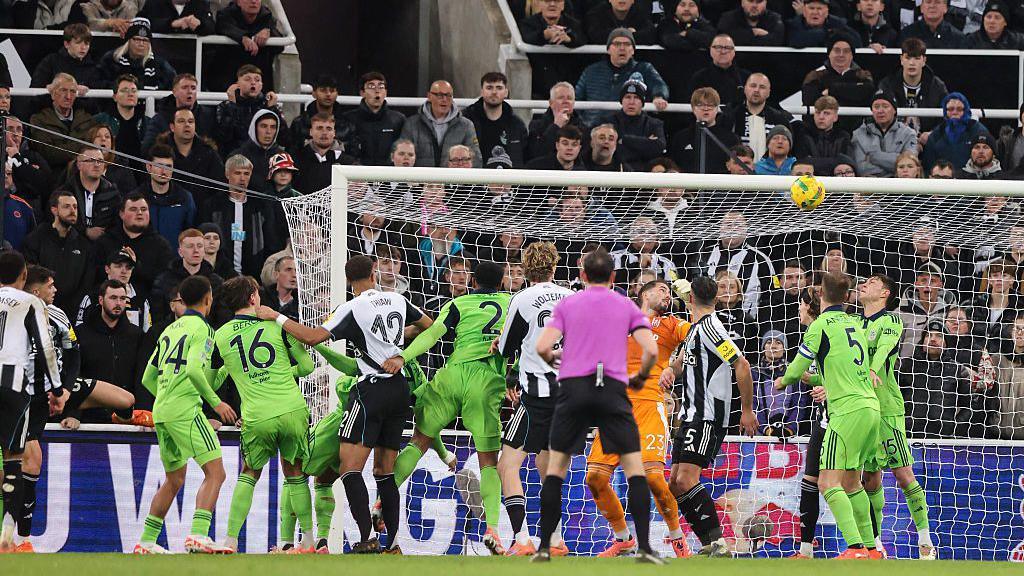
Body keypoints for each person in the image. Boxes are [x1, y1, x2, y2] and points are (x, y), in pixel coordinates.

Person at [254, 255, 431, 553]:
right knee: (385, 472)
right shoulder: (398, 300)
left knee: (350, 469)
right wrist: (398, 347)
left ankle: (365, 539)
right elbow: (428, 325)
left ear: (350, 282)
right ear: (373, 274)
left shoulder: (352, 307)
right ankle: (395, 544)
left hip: (370, 391)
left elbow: (312, 338)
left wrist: (278, 317)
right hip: (399, 391)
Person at [530, 248, 662, 564]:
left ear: (583, 275)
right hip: (613, 389)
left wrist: (556, 358)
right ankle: (643, 547)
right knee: (634, 469)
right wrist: (640, 377)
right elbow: (652, 350)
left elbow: (541, 347)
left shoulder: (569, 303)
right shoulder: (625, 305)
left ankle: (545, 549)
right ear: (614, 277)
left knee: (556, 469)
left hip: (574, 388)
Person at [383, 261, 511, 554]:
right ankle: (493, 529)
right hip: (486, 378)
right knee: (488, 461)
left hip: (451, 377)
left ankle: (382, 502)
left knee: (418, 442)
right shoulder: (511, 302)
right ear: (503, 281)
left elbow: (431, 334)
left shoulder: (459, 303)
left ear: (473, 281)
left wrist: (403, 356)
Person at [585, 279, 693, 558]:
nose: (667, 296)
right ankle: (623, 539)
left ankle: (678, 540)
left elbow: (699, 333)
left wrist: (690, 299)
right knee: (595, 478)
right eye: (662, 290)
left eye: (670, 293)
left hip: (649, 405)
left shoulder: (671, 324)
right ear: (643, 293)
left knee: (654, 479)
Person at [776, 272, 880, 559]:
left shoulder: (820, 325)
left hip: (845, 412)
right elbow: (838, 370)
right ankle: (872, 549)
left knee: (826, 483)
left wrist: (783, 381)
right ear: (847, 296)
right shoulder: (856, 323)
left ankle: (855, 548)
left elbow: (795, 370)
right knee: (850, 482)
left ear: (821, 295)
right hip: (870, 408)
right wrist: (816, 380)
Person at [134, 275, 237, 554]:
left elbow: (148, 378)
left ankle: (146, 541)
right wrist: (216, 404)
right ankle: (198, 535)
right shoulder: (203, 329)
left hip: (163, 410)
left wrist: (225, 369)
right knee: (216, 473)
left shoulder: (169, 329)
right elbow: (192, 370)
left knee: (175, 478)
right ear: (208, 299)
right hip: (185, 410)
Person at [212, 276, 316, 552]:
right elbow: (307, 366)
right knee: (294, 474)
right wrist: (281, 374)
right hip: (292, 409)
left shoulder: (220, 335)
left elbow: (211, 383)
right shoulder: (276, 326)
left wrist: (236, 372)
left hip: (257, 415)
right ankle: (307, 541)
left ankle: (231, 541)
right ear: (253, 298)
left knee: (249, 473)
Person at [664, 275, 757, 557]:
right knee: (675, 482)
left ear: (691, 299)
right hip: (690, 414)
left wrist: (747, 410)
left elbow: (741, 364)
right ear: (715, 298)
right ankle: (709, 543)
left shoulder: (711, 327)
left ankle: (717, 543)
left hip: (707, 414)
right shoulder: (694, 329)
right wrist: (671, 369)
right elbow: (683, 364)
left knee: (687, 479)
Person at [495, 242, 573, 556]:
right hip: (569, 396)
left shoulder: (523, 298)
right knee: (548, 468)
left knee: (507, 465)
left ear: (526, 270)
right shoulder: (571, 297)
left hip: (537, 397)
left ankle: (522, 538)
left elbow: (507, 347)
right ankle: (555, 540)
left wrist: (502, 347)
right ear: (554, 267)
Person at [858, 274, 936, 559]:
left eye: (871, 281)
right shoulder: (854, 325)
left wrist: (873, 370)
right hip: (862, 411)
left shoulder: (890, 320)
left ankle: (925, 542)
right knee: (870, 479)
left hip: (887, 410)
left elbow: (882, 351)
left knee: (903, 475)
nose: (864, 284)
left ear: (884, 293)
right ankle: (876, 546)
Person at [0, 252, 65, 554]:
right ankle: (6, 537)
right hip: (13, 386)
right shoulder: (30, 302)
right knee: (14, 460)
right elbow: (45, 347)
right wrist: (57, 387)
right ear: (24, 276)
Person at [787, 286, 826, 558]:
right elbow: (818, 374)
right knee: (810, 480)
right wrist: (814, 380)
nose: (798, 309)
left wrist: (830, 388)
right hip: (823, 417)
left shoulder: (824, 331)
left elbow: (849, 372)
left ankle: (869, 546)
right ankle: (805, 548)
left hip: (841, 416)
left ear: (809, 306)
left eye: (800, 304)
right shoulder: (809, 335)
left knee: (846, 483)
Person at [199, 155, 282, 278]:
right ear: (227, 174)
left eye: (246, 174)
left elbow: (270, 241)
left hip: (254, 274)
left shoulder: (261, 206)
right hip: (219, 274)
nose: (242, 178)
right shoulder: (212, 205)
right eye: (237, 173)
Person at [576, 28, 669, 126]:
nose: (622, 48)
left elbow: (659, 85)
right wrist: (585, 122)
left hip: (630, 129)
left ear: (633, 50)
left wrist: (659, 96)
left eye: (627, 44)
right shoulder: (591, 70)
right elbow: (577, 97)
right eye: (617, 44)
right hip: (594, 129)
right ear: (608, 49)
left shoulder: (644, 68)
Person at [22, 191, 95, 317]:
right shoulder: (36, 239)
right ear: (54, 210)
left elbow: (87, 282)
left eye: (75, 207)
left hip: (72, 313)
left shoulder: (84, 245)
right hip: (40, 310)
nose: (73, 211)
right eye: (66, 206)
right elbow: (30, 275)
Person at [95, 193, 175, 298]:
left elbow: (165, 282)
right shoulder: (105, 242)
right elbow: (95, 276)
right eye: (133, 209)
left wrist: (136, 266)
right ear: (121, 214)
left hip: (149, 308)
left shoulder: (161, 245)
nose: (139, 213)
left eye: (144, 209)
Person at [399, 80, 482, 168]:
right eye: (439, 95)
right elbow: (401, 157)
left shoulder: (466, 125)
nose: (444, 99)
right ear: (429, 96)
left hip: (453, 179)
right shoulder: (412, 124)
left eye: (448, 95)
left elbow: (475, 159)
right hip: (420, 179)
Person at [151, 228, 225, 323]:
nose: (196, 250)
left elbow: (222, 316)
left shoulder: (216, 282)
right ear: (180, 252)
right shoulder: (164, 281)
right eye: (190, 246)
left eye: (199, 246)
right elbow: (158, 317)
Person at [876, 38, 949, 133]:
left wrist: (932, 135)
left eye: (917, 58)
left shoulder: (937, 86)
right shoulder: (886, 85)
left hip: (928, 141)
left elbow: (948, 117)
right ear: (901, 59)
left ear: (924, 60)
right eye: (908, 58)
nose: (912, 63)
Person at [29, 73, 98, 170]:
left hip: (83, 172)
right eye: (63, 90)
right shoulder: (39, 120)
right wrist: (81, 150)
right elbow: (48, 154)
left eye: (73, 91)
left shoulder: (87, 119)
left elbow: (93, 149)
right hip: (53, 175)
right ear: (53, 94)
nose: (68, 96)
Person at [723, 73, 799, 161]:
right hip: (738, 171)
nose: (756, 90)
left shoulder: (780, 119)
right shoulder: (730, 116)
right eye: (753, 86)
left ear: (769, 92)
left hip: (771, 172)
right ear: (745, 89)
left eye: (762, 87)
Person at [160, 107, 224, 206]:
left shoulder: (209, 154)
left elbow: (220, 188)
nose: (187, 125)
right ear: (172, 127)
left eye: (191, 121)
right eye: (181, 121)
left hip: (203, 213)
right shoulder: (160, 154)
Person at [464, 72, 529, 168]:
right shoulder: (467, 120)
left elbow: (524, 157)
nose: (494, 92)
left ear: (506, 92)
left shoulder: (517, 124)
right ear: (481, 92)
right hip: (476, 180)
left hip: (510, 180)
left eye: (499, 88)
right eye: (489, 88)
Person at [136, 144, 196, 247]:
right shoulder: (136, 198)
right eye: (159, 166)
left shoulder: (185, 198)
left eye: (168, 167)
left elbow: (191, 233)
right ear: (148, 167)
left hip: (175, 260)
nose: (164, 172)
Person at [214, 0, 282, 91]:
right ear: (238, 2)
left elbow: (280, 47)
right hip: (229, 77)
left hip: (260, 79)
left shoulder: (267, 17)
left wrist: (269, 32)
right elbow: (223, 27)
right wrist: (242, 37)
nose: (253, 1)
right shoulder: (225, 15)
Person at [215, 64, 282, 157]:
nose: (253, 83)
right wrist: (232, 105)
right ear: (237, 84)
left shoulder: (267, 106)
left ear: (262, 85)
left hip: (264, 157)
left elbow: (284, 139)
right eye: (247, 79)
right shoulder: (225, 106)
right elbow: (224, 137)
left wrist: (272, 109)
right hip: (235, 158)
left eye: (257, 80)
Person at [142, 73, 217, 154]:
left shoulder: (208, 116)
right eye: (184, 88)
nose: (190, 92)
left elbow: (216, 146)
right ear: (174, 92)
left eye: (193, 88)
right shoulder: (160, 119)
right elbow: (147, 148)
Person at [670, 87, 740, 174]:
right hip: (688, 186)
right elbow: (673, 167)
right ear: (693, 108)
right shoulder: (681, 137)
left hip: (720, 186)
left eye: (710, 105)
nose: (706, 109)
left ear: (717, 108)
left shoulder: (731, 139)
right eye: (700, 105)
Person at [343, 72, 407, 166]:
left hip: (389, 175)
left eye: (381, 87)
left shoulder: (398, 120)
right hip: (358, 176)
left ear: (386, 92)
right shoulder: (349, 118)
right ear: (362, 93)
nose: (377, 91)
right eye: (371, 87)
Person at [850, 91, 918, 177]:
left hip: (899, 185)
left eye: (885, 106)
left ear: (894, 110)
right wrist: (897, 160)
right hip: (869, 186)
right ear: (872, 110)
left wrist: (873, 157)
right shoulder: (858, 134)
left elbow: (909, 166)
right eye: (876, 107)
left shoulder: (908, 134)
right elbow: (861, 169)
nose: (880, 111)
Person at [98, 17, 176, 90]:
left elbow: (173, 84)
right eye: (137, 39)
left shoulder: (160, 64)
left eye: (145, 40)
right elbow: (99, 83)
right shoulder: (111, 60)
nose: (141, 44)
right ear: (128, 41)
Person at [920, 92, 992, 171]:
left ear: (966, 110)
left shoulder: (979, 131)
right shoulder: (936, 134)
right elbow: (929, 165)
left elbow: (988, 160)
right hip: (943, 180)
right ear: (945, 111)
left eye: (959, 109)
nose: (954, 112)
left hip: (972, 179)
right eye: (950, 109)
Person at [801, 33, 876, 109]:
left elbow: (866, 95)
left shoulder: (862, 75)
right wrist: (850, 92)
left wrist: (831, 91)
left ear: (852, 56)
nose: (841, 55)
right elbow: (810, 101)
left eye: (846, 51)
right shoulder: (816, 76)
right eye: (837, 50)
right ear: (829, 54)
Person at [289, 74, 357, 156]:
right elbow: (292, 154)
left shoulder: (348, 125)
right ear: (314, 93)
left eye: (332, 90)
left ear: (337, 93)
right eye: (323, 90)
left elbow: (354, 156)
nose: (328, 94)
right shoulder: (299, 123)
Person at [61, 148, 122, 240]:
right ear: (79, 164)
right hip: (71, 244)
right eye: (91, 160)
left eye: (100, 161)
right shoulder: (65, 192)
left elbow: (118, 224)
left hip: (104, 245)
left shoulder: (112, 193)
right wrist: (85, 232)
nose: (97, 165)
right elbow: (59, 221)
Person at [526, 82, 591, 161]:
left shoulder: (583, 129)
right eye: (561, 98)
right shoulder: (536, 125)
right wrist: (556, 126)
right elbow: (535, 154)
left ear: (573, 103)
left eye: (569, 98)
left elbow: (583, 159)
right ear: (551, 103)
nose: (566, 101)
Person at [609, 76, 666, 166]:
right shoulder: (609, 122)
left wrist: (624, 139)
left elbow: (659, 147)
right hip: (617, 171)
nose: (631, 102)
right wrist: (646, 142)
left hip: (646, 173)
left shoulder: (654, 124)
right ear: (621, 101)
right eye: (628, 97)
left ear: (642, 102)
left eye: (636, 97)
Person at [30, 23, 102, 93]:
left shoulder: (93, 65)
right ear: (66, 44)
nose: (83, 48)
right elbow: (36, 87)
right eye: (78, 43)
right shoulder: (51, 61)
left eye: (87, 44)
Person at [4, 116, 55, 213]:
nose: (15, 134)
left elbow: (46, 183)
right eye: (9, 129)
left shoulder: (33, 157)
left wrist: (17, 159)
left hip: (28, 211)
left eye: (19, 130)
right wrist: (28, 171)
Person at [93, 74, 148, 162]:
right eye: (124, 90)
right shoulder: (100, 121)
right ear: (115, 97)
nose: (130, 94)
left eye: (134, 91)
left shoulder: (147, 122)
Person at [795, 95, 852, 175]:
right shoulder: (803, 134)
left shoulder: (843, 137)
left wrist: (814, 161)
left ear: (835, 117)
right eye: (818, 112)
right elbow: (802, 163)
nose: (821, 117)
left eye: (826, 113)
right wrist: (833, 161)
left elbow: (845, 164)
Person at [231, 108, 284, 192]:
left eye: (273, 127)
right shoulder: (238, 156)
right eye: (263, 126)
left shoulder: (283, 157)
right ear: (254, 128)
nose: (268, 131)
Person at [687, 34, 749, 105]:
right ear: (710, 50)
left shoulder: (746, 77)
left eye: (727, 48)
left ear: (734, 51)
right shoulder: (699, 78)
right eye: (718, 47)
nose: (723, 51)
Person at [787, 0, 861, 48]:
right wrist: (828, 33)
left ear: (826, 12)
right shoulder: (794, 23)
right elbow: (795, 41)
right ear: (804, 12)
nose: (815, 12)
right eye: (811, 8)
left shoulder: (838, 23)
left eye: (819, 8)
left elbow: (857, 42)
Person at [717, 0, 786, 46]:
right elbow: (722, 40)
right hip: (737, 64)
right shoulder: (728, 18)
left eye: (759, 1)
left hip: (768, 64)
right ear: (742, 2)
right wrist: (753, 32)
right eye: (750, 1)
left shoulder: (775, 18)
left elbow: (777, 41)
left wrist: (742, 36)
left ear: (766, 3)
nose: (754, 5)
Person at [899, 0, 967, 47]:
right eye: (928, 2)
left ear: (945, 8)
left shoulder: (958, 38)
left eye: (937, 2)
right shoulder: (907, 35)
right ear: (921, 8)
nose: (932, 6)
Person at [585, 0, 656, 45]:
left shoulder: (640, 13)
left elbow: (650, 35)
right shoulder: (597, 13)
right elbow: (595, 36)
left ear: (633, 1)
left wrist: (616, 35)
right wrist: (627, 33)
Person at [519, 0, 585, 47]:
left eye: (557, 1)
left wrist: (569, 39)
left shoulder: (574, 24)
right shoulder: (527, 23)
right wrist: (545, 35)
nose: (552, 4)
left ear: (563, 5)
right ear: (540, 4)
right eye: (547, 1)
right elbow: (526, 37)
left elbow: (582, 39)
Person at [139, 0, 215, 34]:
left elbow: (212, 27)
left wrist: (200, 24)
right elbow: (143, 23)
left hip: (192, 57)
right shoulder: (154, 2)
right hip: (160, 56)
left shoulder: (200, 4)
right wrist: (172, 24)